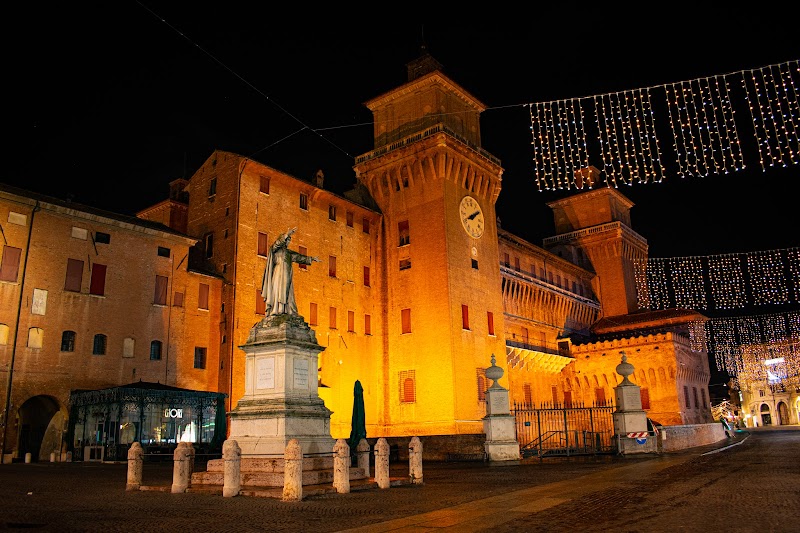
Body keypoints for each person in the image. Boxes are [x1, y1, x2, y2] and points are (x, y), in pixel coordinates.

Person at [261, 228, 319, 316]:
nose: (288, 242)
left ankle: (283, 309)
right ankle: (276, 309)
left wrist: (311, 259)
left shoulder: (289, 253)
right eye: (287, 240)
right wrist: (287, 234)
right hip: (277, 274)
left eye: (289, 241)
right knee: (277, 290)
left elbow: (299, 257)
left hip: (286, 275)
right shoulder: (275, 250)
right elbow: (277, 244)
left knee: (286, 291)